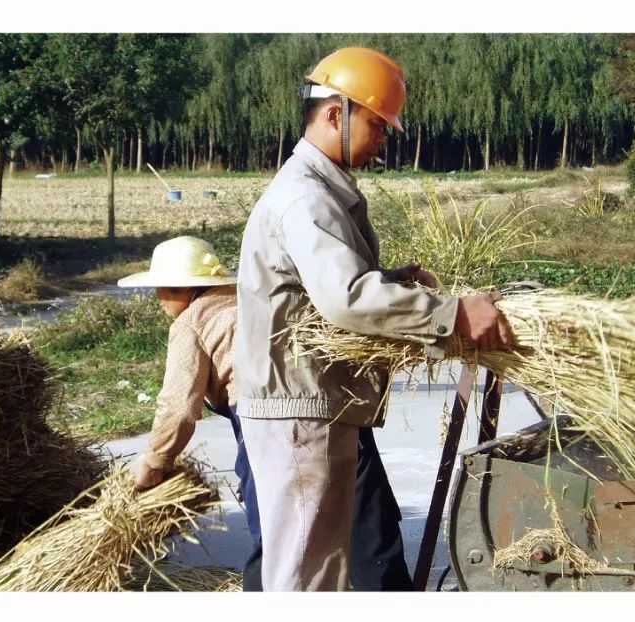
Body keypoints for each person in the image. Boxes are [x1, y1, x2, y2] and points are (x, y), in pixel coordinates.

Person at [235, 47, 515, 591]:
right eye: (378, 124)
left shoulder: (319, 191)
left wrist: (397, 280)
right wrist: (454, 314)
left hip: (310, 405)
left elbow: (323, 287)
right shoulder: (307, 199)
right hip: (300, 412)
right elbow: (346, 298)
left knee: (319, 570)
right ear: (335, 114)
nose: (384, 138)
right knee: (307, 579)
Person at [120, 235, 415, 591]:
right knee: (371, 537)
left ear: (182, 287)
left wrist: (156, 460)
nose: (158, 300)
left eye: (160, 290)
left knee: (280, 546)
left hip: (276, 430)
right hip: (341, 413)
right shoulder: (258, 295)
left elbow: (178, 406)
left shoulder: (193, 322)